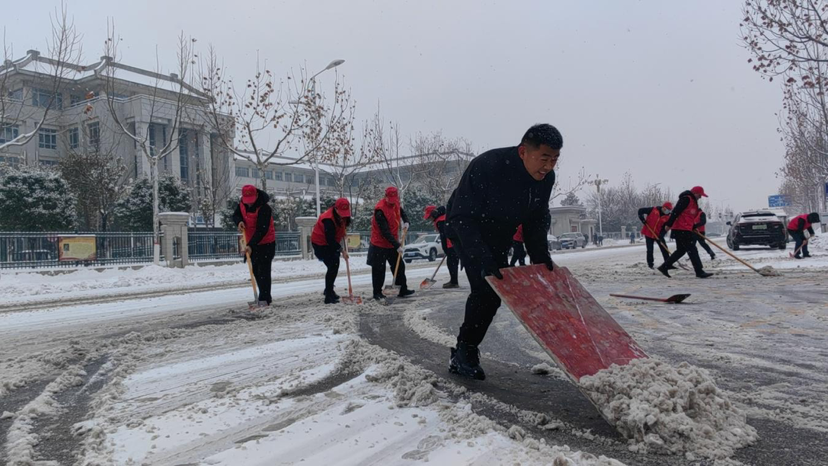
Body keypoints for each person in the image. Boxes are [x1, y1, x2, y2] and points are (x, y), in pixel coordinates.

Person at [445, 123, 561, 380]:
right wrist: (481, 257)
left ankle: (466, 347)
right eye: (544, 158)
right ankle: (464, 352)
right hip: (466, 226)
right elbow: (462, 216)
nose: (548, 166)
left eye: (554, 159)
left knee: (495, 290)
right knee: (487, 289)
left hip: (500, 233)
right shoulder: (488, 166)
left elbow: (537, 218)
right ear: (523, 152)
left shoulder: (546, 178)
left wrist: (540, 256)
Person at [368, 187, 415, 300]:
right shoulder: (380, 210)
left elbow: (401, 212)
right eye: (391, 200)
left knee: (399, 266)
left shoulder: (396, 203)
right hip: (379, 243)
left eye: (395, 200)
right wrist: (397, 245)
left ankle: (402, 289)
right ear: (386, 197)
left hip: (392, 242)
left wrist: (406, 221)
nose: (393, 202)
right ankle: (377, 293)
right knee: (379, 269)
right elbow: (385, 232)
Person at [232, 185, 277, 305]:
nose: (249, 203)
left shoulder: (264, 208)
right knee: (256, 270)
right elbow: (236, 215)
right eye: (247, 201)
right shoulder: (242, 204)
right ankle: (263, 297)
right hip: (252, 242)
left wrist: (251, 245)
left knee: (264, 271)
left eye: (251, 200)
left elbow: (262, 229)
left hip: (266, 243)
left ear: (256, 195)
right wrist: (239, 221)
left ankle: (264, 299)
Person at [657, 186, 714, 279]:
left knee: (681, 250)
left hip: (684, 229)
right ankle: (699, 271)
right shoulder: (686, 199)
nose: (700, 197)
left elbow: (688, 217)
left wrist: (693, 227)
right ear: (695, 193)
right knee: (692, 249)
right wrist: (668, 224)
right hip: (681, 229)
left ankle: (664, 267)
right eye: (700, 195)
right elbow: (676, 212)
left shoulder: (692, 201)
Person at [311, 198, 352, 304]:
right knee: (333, 265)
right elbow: (330, 239)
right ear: (336, 209)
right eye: (341, 212)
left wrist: (343, 233)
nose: (343, 215)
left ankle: (329, 290)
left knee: (334, 265)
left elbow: (341, 226)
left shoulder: (341, 216)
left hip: (330, 243)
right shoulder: (328, 219)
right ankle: (328, 296)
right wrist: (342, 250)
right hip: (320, 243)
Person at [424, 205, 460, 288]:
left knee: (452, 263)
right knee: (453, 263)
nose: (430, 219)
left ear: (433, 214)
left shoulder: (441, 221)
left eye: (430, 217)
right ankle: (454, 281)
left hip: (451, 244)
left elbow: (444, 236)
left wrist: (446, 249)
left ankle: (454, 282)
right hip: (454, 243)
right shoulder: (444, 217)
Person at [638, 202, 672, 269]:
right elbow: (640, 211)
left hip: (658, 234)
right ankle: (650, 264)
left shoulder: (668, 217)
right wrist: (643, 220)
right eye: (667, 209)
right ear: (663, 207)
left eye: (669, 210)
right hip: (649, 232)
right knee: (650, 250)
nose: (667, 211)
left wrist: (661, 235)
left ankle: (668, 263)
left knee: (664, 248)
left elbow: (665, 228)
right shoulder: (653, 210)